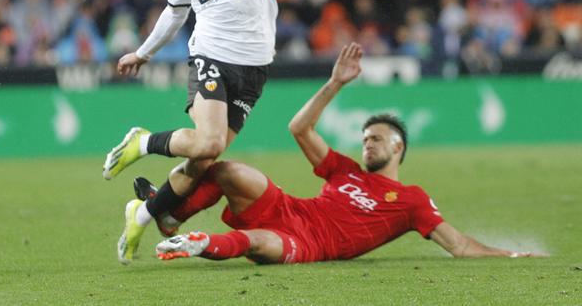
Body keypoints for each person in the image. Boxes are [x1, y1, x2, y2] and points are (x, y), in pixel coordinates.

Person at [149, 43, 541, 264]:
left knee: (255, 243)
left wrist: (511, 254)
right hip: (290, 209)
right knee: (227, 169)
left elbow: (459, 246)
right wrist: (335, 83)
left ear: (398, 147)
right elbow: (298, 128)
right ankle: (171, 216)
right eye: (366, 137)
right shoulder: (345, 171)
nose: (368, 142)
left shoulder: (411, 200)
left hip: (311, 246)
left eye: (377, 138)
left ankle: (197, 243)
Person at [101, 0, 297, 263]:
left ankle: (142, 214)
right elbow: (175, 13)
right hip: (210, 55)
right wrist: (144, 53)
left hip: (255, 65)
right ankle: (142, 143)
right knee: (207, 143)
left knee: (204, 160)